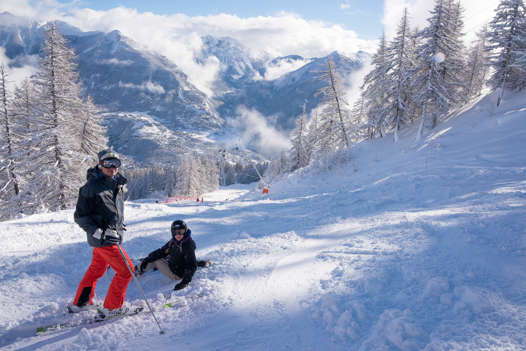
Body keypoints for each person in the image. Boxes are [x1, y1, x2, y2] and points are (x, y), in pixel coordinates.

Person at [71, 149, 134, 317]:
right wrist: (100, 233)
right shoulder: (90, 188)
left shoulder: (116, 184)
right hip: (104, 240)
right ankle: (112, 308)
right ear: (100, 164)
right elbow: (80, 216)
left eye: (116, 164)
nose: (112, 168)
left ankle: (81, 302)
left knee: (96, 270)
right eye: (108, 164)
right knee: (126, 270)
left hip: (110, 237)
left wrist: (116, 226)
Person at [136, 220, 209, 291]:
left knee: (156, 260)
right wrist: (147, 259)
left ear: (185, 231)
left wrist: (185, 282)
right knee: (158, 256)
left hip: (177, 273)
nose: (178, 235)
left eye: (181, 232)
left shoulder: (188, 245)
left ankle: (137, 270)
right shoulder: (174, 241)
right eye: (175, 232)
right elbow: (162, 251)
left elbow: (191, 265)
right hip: (174, 263)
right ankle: (145, 263)